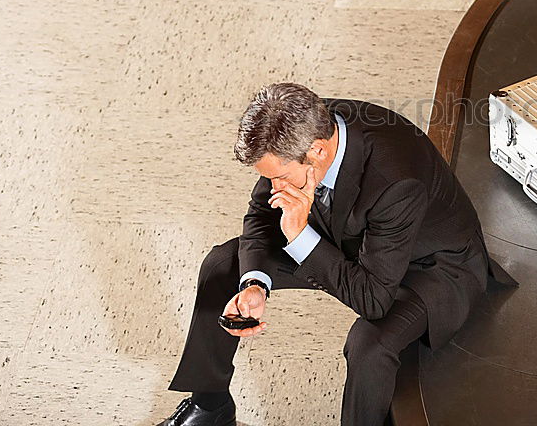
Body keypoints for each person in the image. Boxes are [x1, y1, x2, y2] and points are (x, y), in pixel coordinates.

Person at [156, 82, 515, 426]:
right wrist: (254, 284)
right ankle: (210, 406)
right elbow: (260, 214)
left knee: (369, 343)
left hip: (430, 265)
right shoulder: (298, 128)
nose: (273, 187)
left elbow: (373, 300)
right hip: (354, 239)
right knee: (223, 264)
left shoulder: (396, 180)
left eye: (279, 177)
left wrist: (299, 236)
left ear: (318, 151)